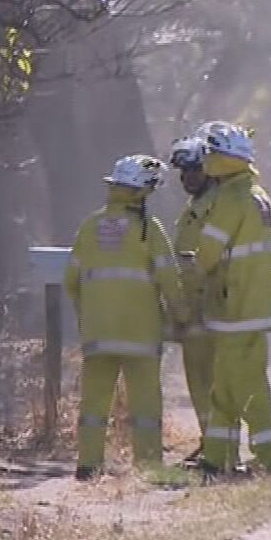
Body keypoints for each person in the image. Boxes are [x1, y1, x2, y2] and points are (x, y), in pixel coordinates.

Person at [63, 155, 185, 480]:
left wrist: (86, 318)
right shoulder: (149, 230)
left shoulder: (90, 226)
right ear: (141, 191)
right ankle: (148, 467)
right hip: (140, 334)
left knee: (93, 405)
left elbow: (71, 282)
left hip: (98, 333)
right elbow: (169, 279)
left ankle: (88, 466)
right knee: (145, 406)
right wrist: (182, 316)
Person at [188, 121, 271, 474]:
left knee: (246, 388)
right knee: (226, 386)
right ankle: (216, 459)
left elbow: (209, 251)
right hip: (252, 305)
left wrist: (192, 275)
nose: (207, 161)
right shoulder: (257, 193)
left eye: (211, 154)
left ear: (223, 158)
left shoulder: (231, 198)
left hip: (237, 308)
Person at [168, 133, 221, 458]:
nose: (188, 178)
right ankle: (209, 441)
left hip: (211, 308)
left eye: (195, 171)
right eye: (184, 173)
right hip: (192, 311)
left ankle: (220, 446)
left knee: (211, 383)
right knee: (198, 384)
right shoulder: (193, 207)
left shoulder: (215, 205)